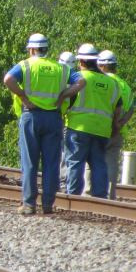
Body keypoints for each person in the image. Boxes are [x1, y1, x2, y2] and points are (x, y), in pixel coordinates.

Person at [2, 33, 70, 215]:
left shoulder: (25, 65)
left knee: (30, 162)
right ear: (46, 49)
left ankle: (29, 204)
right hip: (54, 118)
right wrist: (63, 96)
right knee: (51, 163)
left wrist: (23, 96)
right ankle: (48, 204)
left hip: (31, 116)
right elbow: (81, 82)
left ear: (31, 49)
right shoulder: (60, 68)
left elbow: (8, 79)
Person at [59, 44, 123, 198]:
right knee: (99, 164)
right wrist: (115, 125)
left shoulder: (78, 79)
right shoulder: (111, 83)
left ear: (80, 61)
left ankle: (73, 197)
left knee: (75, 163)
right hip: (102, 130)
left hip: (77, 127)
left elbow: (66, 102)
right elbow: (118, 106)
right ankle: (100, 197)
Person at [97, 49, 134, 198]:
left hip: (101, 129)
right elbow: (131, 108)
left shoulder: (104, 82)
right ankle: (110, 196)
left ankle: (90, 195)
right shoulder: (125, 85)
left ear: (103, 66)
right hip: (118, 131)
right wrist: (120, 123)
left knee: (93, 162)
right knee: (112, 164)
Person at [57, 50, 77, 192]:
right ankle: (65, 181)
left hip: (62, 118)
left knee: (63, 151)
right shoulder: (75, 78)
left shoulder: (59, 76)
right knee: (66, 152)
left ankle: (63, 181)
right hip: (69, 119)